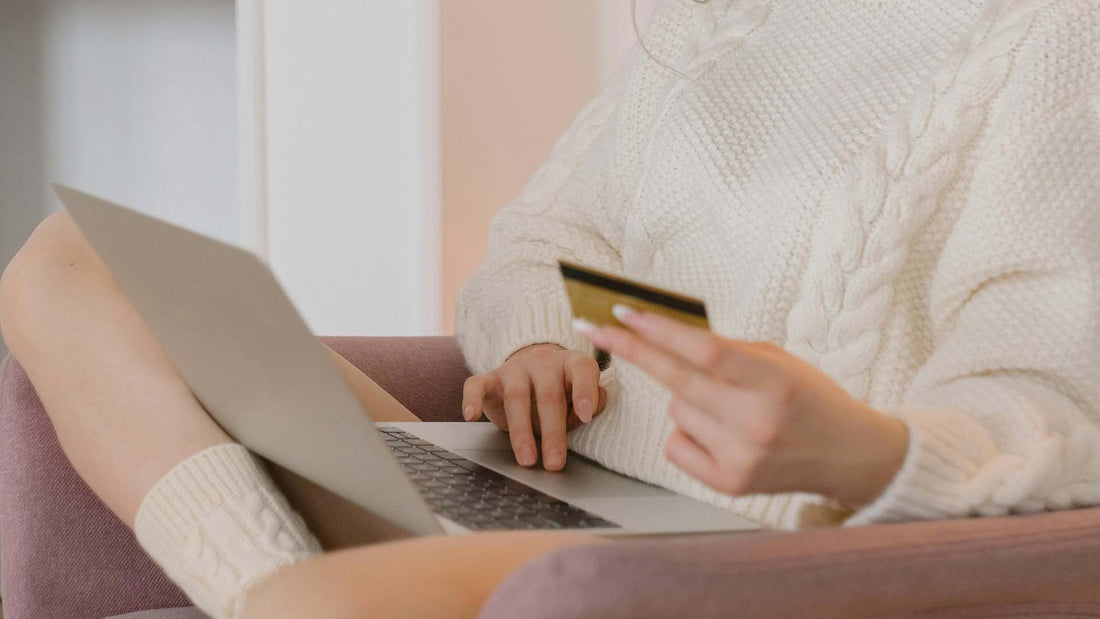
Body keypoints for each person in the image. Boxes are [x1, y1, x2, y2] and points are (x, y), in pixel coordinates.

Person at [1, 0, 1098, 617]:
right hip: (528, 478)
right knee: (66, 260)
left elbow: (1050, 403)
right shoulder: (719, 24)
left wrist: (852, 450)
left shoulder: (1052, 42)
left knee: (323, 605)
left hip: (726, 552)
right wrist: (530, 335)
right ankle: (285, 596)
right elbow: (540, 239)